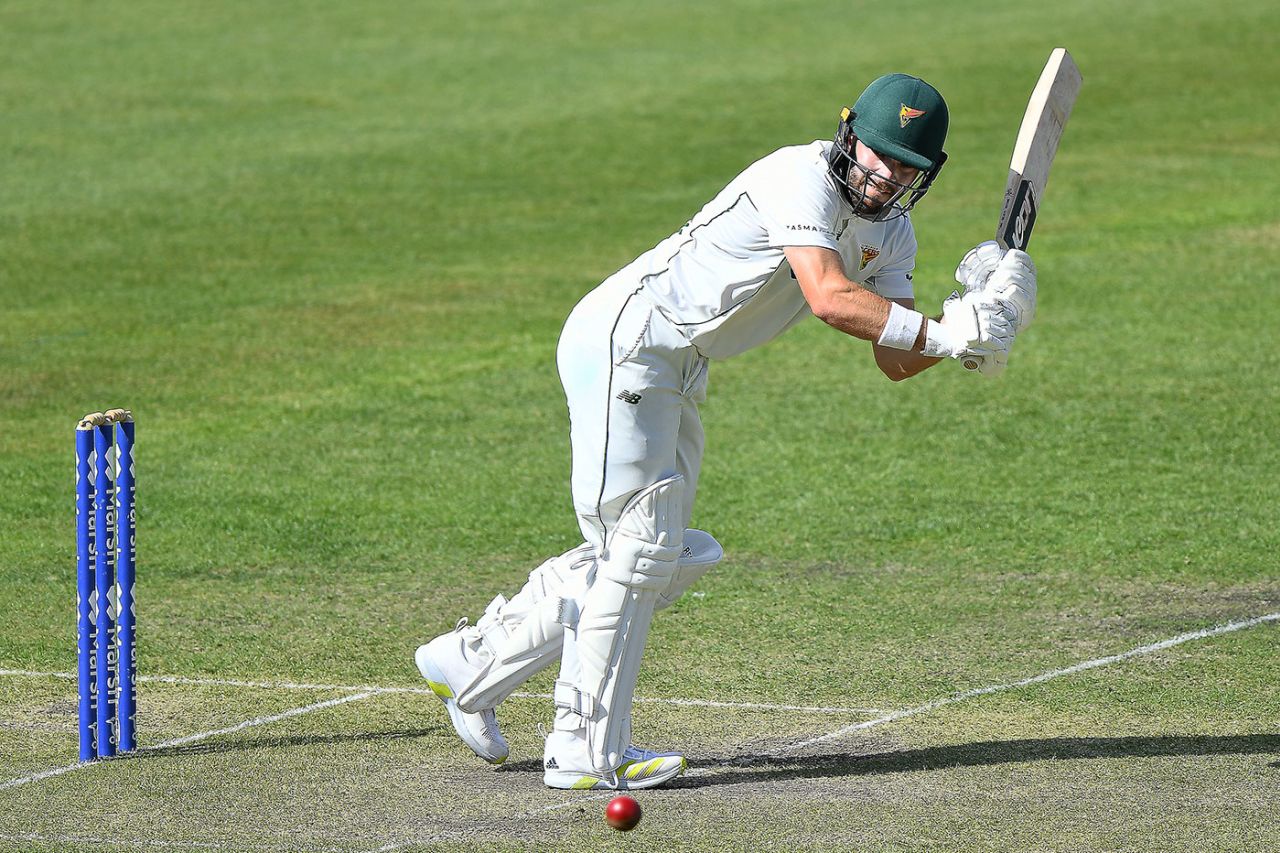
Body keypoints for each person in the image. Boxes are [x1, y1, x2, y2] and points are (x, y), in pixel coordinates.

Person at [414, 73, 1037, 790]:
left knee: (668, 553)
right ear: (848, 135)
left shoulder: (892, 233)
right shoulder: (795, 176)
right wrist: (950, 332)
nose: (886, 174)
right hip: (631, 337)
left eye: (906, 166)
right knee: (641, 548)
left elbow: (896, 358)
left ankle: (471, 662)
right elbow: (830, 297)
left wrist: (980, 319)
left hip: (681, 363)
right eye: (878, 153)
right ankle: (581, 748)